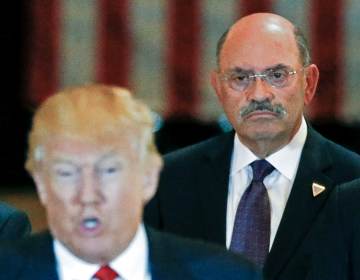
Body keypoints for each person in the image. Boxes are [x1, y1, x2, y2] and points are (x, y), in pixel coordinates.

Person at [144, 12, 360, 280]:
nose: (259, 94)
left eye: (278, 75)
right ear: (218, 88)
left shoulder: (352, 180)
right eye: (240, 77)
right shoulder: (168, 182)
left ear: (309, 83)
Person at [0, 84, 262, 279]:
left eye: (109, 171)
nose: (88, 194)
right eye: (67, 173)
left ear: (148, 177)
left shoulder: (226, 275)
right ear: (41, 184)